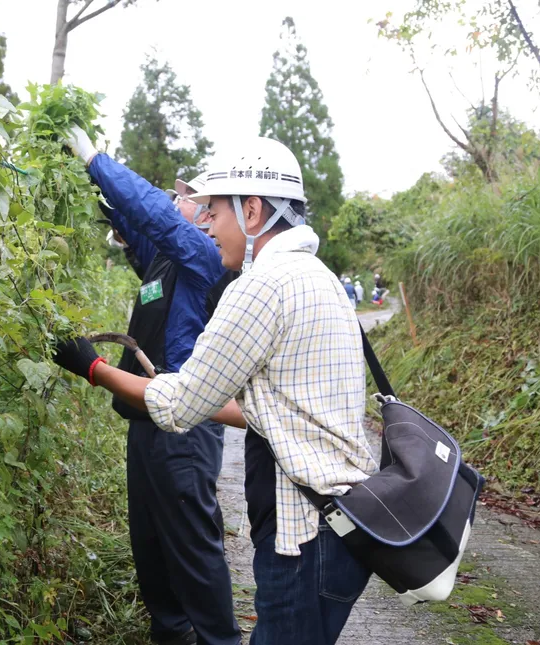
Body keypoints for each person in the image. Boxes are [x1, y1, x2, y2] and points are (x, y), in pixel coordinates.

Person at [53, 137, 377, 645]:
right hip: (337, 527)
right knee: (157, 541)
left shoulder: (259, 282)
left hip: (303, 531)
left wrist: (92, 368)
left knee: (194, 546)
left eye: (213, 210)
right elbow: (276, 407)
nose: (207, 222)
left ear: (252, 211)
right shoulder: (318, 278)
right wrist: (95, 190)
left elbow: (182, 404)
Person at [64, 127, 241, 645]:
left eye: (188, 197)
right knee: (150, 540)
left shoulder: (203, 258)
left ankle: (217, 639)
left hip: (184, 430)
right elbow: (135, 219)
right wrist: (89, 180)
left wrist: (98, 160)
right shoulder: (164, 259)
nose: (177, 200)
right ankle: (171, 633)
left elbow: (154, 214)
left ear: (207, 215)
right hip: (146, 420)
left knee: (190, 543)